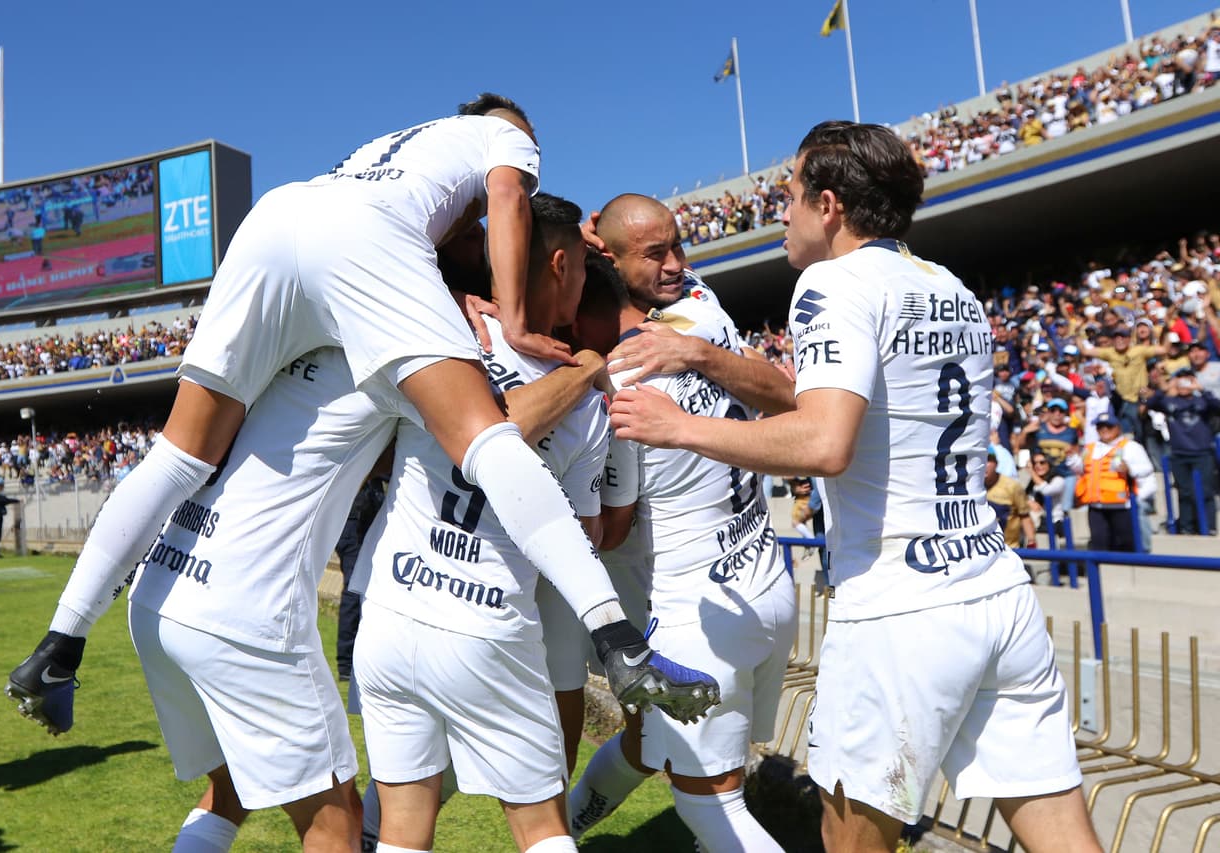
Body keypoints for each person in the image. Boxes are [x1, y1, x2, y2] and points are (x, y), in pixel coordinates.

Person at [7, 95, 713, 745]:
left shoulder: (397, 144)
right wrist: (520, 323)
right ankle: (618, 637)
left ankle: (58, 646)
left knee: (180, 453)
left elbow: (404, 228)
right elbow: (500, 197)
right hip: (364, 237)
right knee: (488, 440)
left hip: (279, 217)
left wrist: (442, 289)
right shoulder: (508, 142)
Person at [609, 121, 1100, 853]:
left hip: (902, 611)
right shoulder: (951, 286)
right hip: (998, 592)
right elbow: (827, 409)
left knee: (851, 843)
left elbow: (822, 440)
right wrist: (704, 358)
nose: (781, 212)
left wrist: (678, 426)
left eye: (791, 195)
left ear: (830, 204)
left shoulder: (831, 282)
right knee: (1064, 835)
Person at [350, 194, 716, 853]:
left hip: (392, 609)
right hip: (486, 617)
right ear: (559, 263)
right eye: (578, 265)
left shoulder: (444, 331)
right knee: (543, 828)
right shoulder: (584, 399)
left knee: (400, 830)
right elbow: (581, 533)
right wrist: (588, 374)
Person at [566, 194, 795, 852]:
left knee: (710, 807)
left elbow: (605, 531)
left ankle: (557, 833)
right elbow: (783, 393)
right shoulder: (700, 304)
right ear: (607, 259)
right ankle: (568, 835)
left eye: (677, 246)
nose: (675, 264)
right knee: (644, 742)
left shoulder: (620, 376)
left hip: (693, 605)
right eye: (655, 253)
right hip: (760, 579)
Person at [1145, 367, 1220, 535]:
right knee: (1184, 493)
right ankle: (1187, 526)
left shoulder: (1203, 401)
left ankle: (1209, 526)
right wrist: (1163, 389)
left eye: (1188, 379)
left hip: (1203, 452)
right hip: (1179, 453)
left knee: (1206, 491)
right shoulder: (1170, 401)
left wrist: (1201, 389)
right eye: (1181, 380)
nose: (1184, 384)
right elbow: (1150, 404)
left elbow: (1217, 405)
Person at [1075, 413, 1154, 552]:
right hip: (1096, 504)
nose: (1104, 430)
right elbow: (1081, 468)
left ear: (1117, 428)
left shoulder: (1130, 446)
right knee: (1099, 542)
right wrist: (1071, 459)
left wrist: (1129, 469)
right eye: (1100, 427)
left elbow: (1146, 469)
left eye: (1109, 426)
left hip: (1121, 505)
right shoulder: (1090, 448)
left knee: (1125, 542)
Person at [335, 477, 388, 681]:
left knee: (357, 589)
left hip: (354, 520)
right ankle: (346, 664)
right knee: (353, 591)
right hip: (354, 522)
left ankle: (349, 661)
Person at [984, 455, 1035, 550]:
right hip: (980, 549)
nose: (984, 465)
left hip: (1008, 548)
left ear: (996, 464)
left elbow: (1024, 515)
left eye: (988, 461)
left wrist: (1031, 541)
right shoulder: (970, 487)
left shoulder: (1012, 486)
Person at [0, 477, 20, 558]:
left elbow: (4, 500)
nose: (2, 487)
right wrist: (17, 501)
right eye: (0, 486)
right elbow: (5, 500)